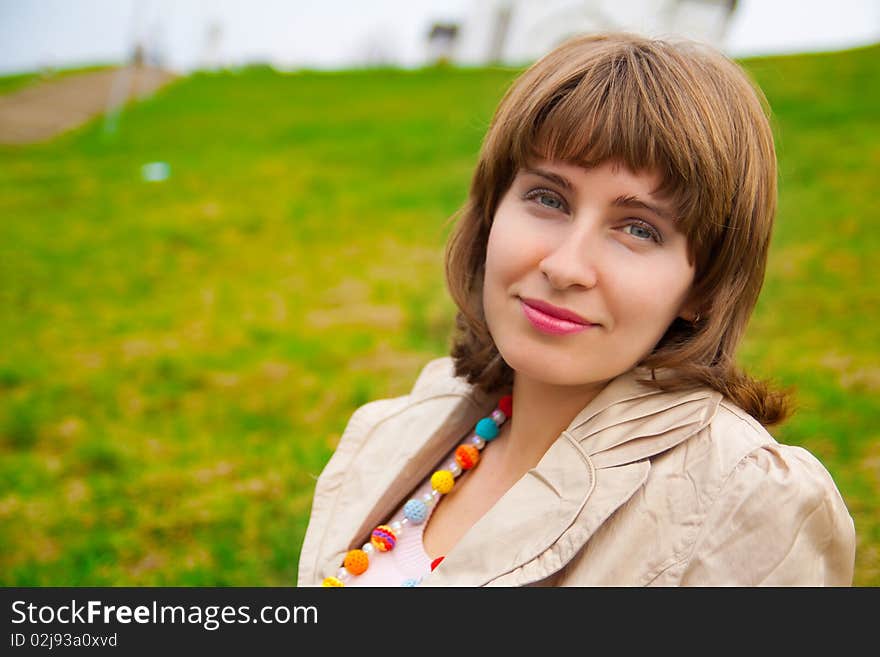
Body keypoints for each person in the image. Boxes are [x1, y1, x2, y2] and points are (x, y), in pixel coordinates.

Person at [296, 32, 856, 587]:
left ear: (704, 285)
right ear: (492, 211)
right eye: (548, 198)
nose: (565, 266)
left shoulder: (745, 503)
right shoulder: (401, 429)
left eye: (638, 229)